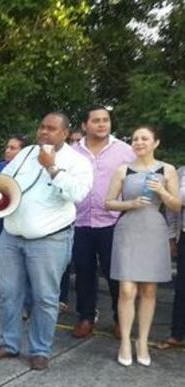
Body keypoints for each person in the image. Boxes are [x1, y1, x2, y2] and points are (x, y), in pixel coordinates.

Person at [0, 113, 92, 371]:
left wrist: (51, 167)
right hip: (12, 235)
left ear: (65, 133)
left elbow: (77, 194)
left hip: (49, 240)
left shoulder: (77, 161)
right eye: (42, 126)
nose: (44, 132)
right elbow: (5, 180)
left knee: (45, 297)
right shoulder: (25, 153)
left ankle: (40, 350)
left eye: (52, 128)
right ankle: (10, 343)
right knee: (8, 293)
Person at [105, 126, 180, 367]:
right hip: (128, 230)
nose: (139, 142)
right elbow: (108, 203)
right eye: (135, 139)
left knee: (149, 290)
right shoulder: (123, 170)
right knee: (127, 289)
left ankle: (143, 341)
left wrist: (162, 191)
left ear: (156, 142)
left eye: (144, 138)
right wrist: (130, 203)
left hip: (154, 230)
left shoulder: (167, 170)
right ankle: (125, 341)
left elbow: (177, 206)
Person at [70, 106, 135, 339]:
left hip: (113, 222)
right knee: (84, 273)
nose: (101, 124)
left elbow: (137, 182)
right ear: (84, 125)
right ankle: (86, 317)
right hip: (80, 223)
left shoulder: (125, 151)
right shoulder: (72, 152)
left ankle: (121, 319)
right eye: (96, 120)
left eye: (105, 120)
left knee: (115, 273)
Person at [158, 165, 185, 351]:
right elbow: (172, 207)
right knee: (182, 288)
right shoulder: (182, 172)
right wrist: (171, 236)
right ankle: (177, 334)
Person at [0, 135, 26, 247]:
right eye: (7, 147)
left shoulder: (28, 169)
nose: (7, 151)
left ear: (23, 151)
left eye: (12, 148)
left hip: (20, 221)